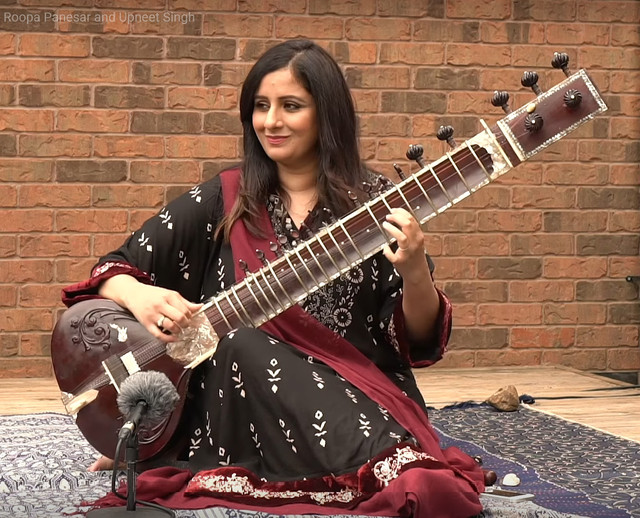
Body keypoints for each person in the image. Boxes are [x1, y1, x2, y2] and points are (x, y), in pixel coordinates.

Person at [61, 39, 486, 517]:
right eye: (261, 106)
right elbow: (112, 268)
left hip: (356, 389)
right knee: (241, 341)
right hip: (240, 405)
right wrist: (138, 295)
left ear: (328, 115)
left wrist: (413, 272)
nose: (271, 122)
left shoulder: (376, 204)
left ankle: (389, 465)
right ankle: (390, 469)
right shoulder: (225, 198)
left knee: (425, 487)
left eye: (291, 106)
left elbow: (418, 339)